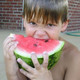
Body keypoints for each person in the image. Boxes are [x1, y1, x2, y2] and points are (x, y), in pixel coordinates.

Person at [3, 0, 80, 80]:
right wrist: (11, 73)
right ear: (24, 21)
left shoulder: (74, 57)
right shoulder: (16, 49)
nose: (40, 33)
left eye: (50, 25)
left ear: (64, 25)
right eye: (33, 23)